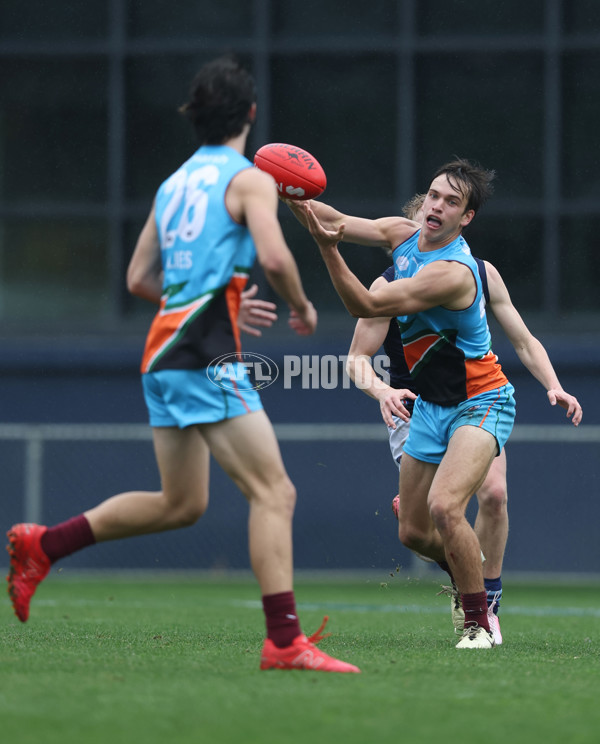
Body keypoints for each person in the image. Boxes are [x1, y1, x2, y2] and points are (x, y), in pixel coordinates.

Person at [5, 55, 360, 674]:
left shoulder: (172, 185)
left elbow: (139, 277)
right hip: (201, 356)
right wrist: (301, 307)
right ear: (250, 115)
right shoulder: (249, 179)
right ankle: (284, 641)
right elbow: (275, 260)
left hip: (163, 353)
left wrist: (215, 296)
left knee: (181, 503)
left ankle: (42, 544)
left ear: (194, 118)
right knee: (274, 491)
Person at [289, 158, 582, 649]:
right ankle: (473, 578)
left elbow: (366, 304)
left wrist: (326, 249)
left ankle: (480, 618)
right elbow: (333, 220)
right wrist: (287, 192)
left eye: (452, 202)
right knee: (414, 532)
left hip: (481, 398)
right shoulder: (401, 236)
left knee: (454, 505)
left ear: (466, 218)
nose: (437, 205)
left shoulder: (455, 273)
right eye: (434, 195)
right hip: (428, 407)